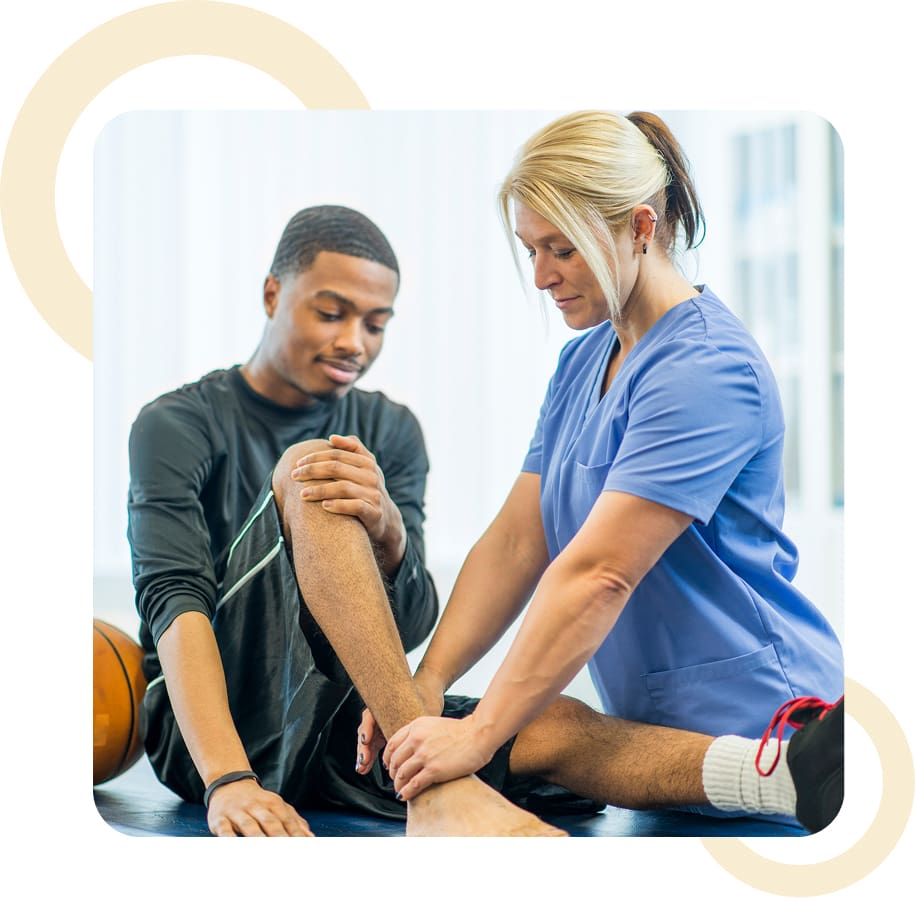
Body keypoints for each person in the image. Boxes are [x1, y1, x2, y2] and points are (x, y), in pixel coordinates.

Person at [128, 200, 840, 840]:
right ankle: (435, 793)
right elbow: (175, 605)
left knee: (552, 720)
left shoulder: (390, 427)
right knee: (315, 468)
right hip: (210, 729)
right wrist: (227, 780)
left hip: (346, 723)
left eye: (375, 324)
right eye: (331, 312)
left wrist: (389, 533)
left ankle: (783, 777)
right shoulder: (178, 423)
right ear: (272, 294)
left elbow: (404, 624)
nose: (354, 342)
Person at [372, 111, 845, 834]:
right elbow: (516, 543)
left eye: (561, 249)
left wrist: (480, 733)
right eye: (531, 250)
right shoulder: (583, 360)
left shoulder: (705, 368)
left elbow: (599, 574)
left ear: (640, 227)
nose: (541, 276)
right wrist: (428, 682)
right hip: (651, 746)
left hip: (767, 730)